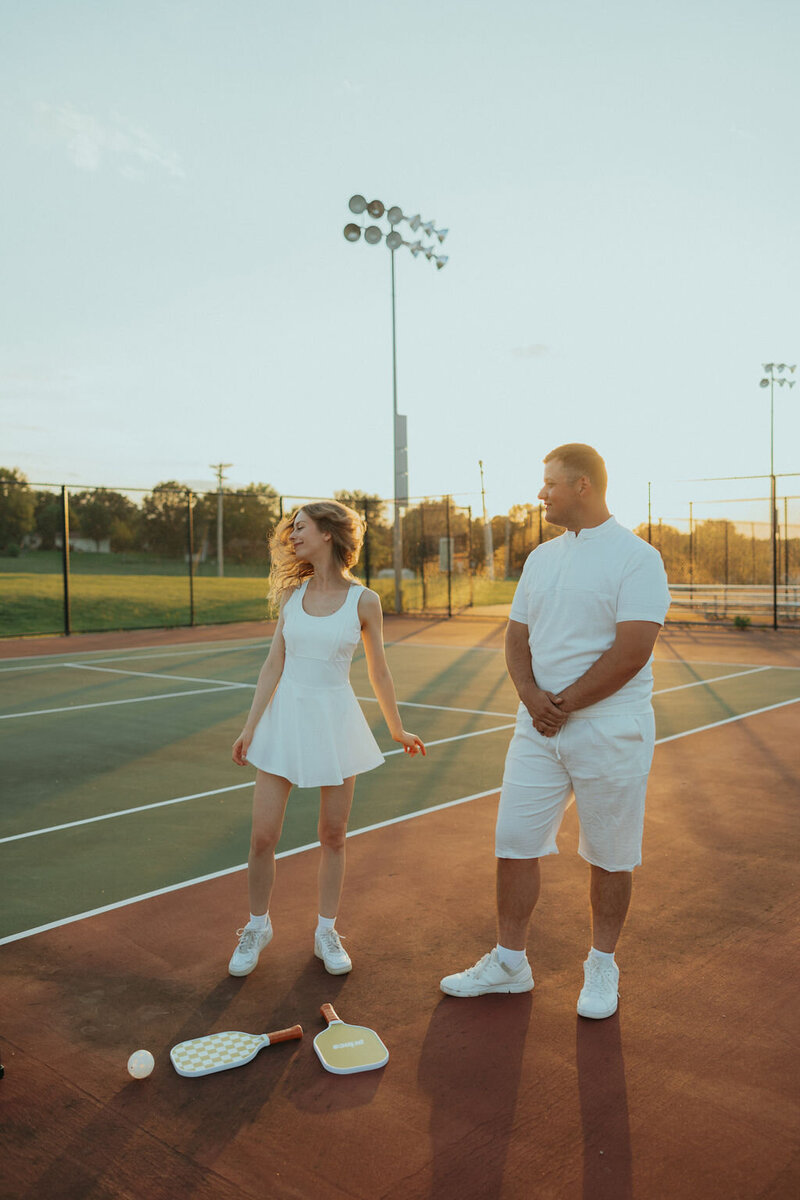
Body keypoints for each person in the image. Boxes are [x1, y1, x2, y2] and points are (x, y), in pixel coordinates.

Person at [440, 444, 671, 1018]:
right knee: (514, 842)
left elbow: (632, 651)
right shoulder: (541, 558)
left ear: (583, 486)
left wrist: (561, 704)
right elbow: (516, 637)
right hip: (536, 729)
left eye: (550, 485)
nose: (540, 494)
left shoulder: (637, 558)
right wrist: (533, 699)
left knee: (611, 856)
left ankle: (601, 967)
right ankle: (509, 964)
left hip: (611, 730)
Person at [229, 500, 425, 978]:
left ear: (328, 534)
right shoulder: (292, 597)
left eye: (301, 528)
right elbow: (273, 663)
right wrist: (250, 726)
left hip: (336, 720)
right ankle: (257, 926)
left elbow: (378, 669)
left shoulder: (365, 602)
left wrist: (396, 728)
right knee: (262, 837)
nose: (292, 536)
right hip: (284, 721)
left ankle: (325, 931)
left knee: (332, 836)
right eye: (291, 529)